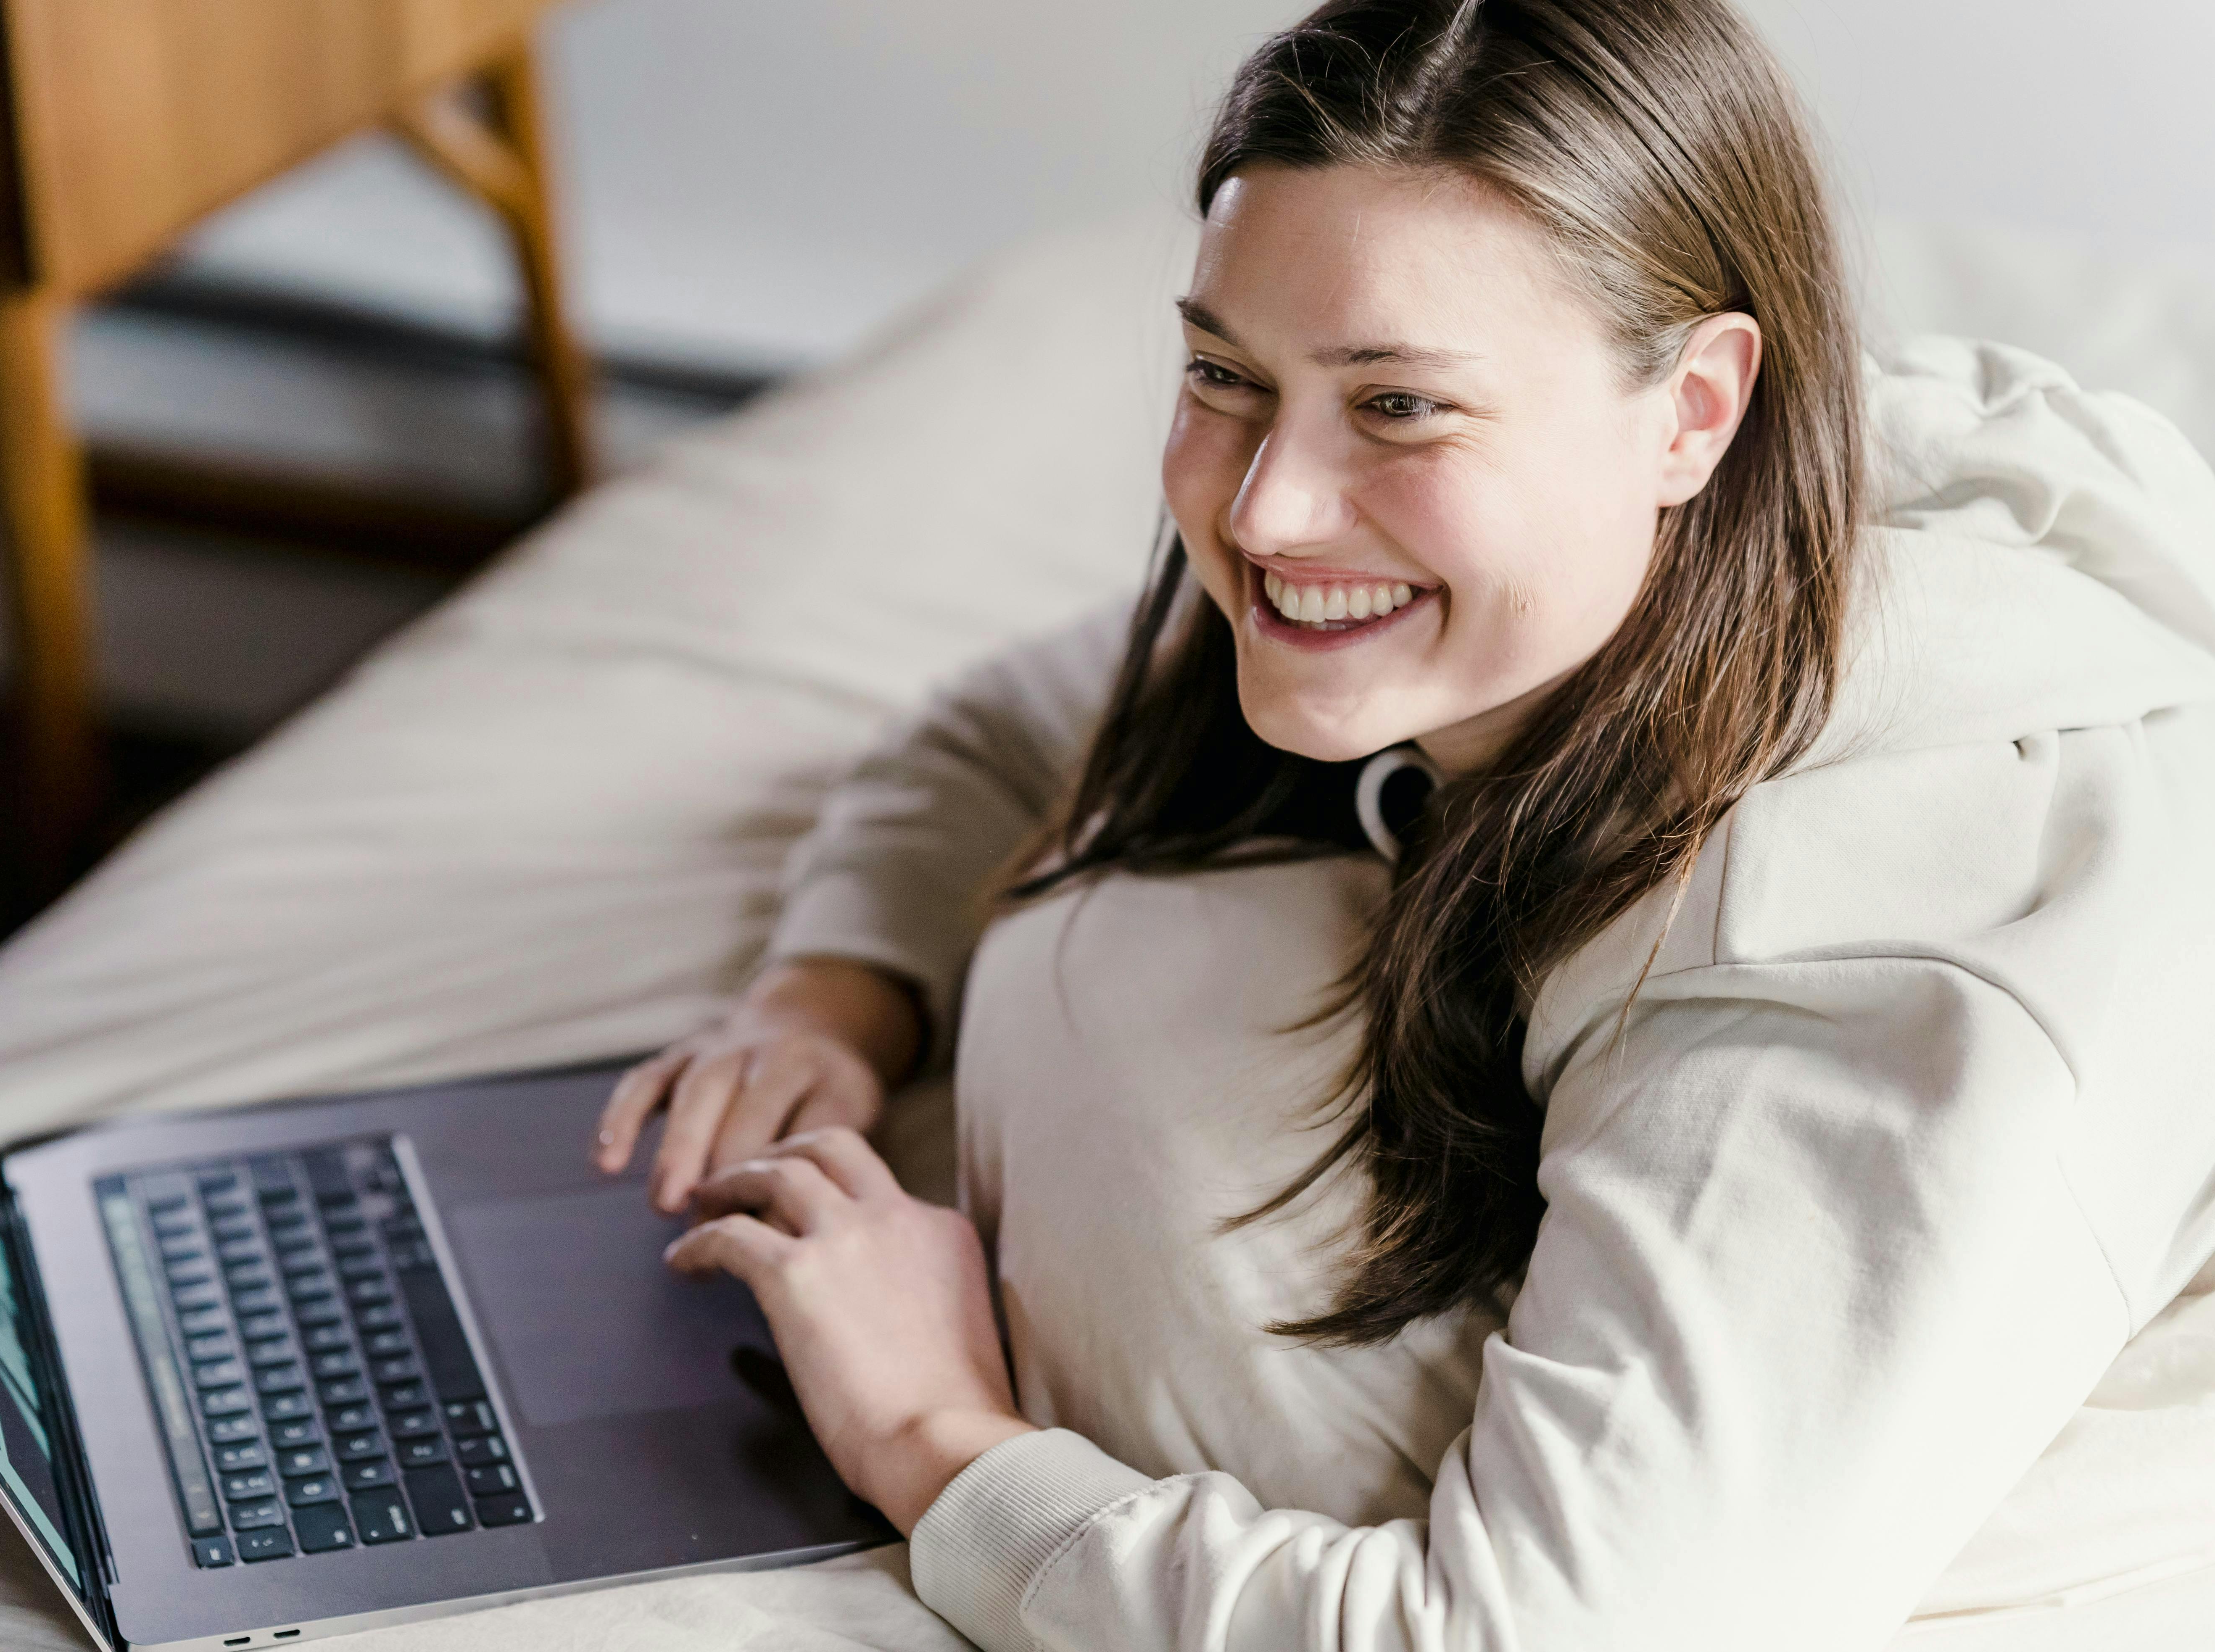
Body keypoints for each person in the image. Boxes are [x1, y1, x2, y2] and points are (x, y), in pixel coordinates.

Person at [594, 0, 2215, 1644]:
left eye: (1397, 407)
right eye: (1225, 371)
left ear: (1694, 410)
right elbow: (1002, 725)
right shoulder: (1596, 570)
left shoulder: (1857, 967)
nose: (1264, 509)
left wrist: (935, 1441)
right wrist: (831, 999)